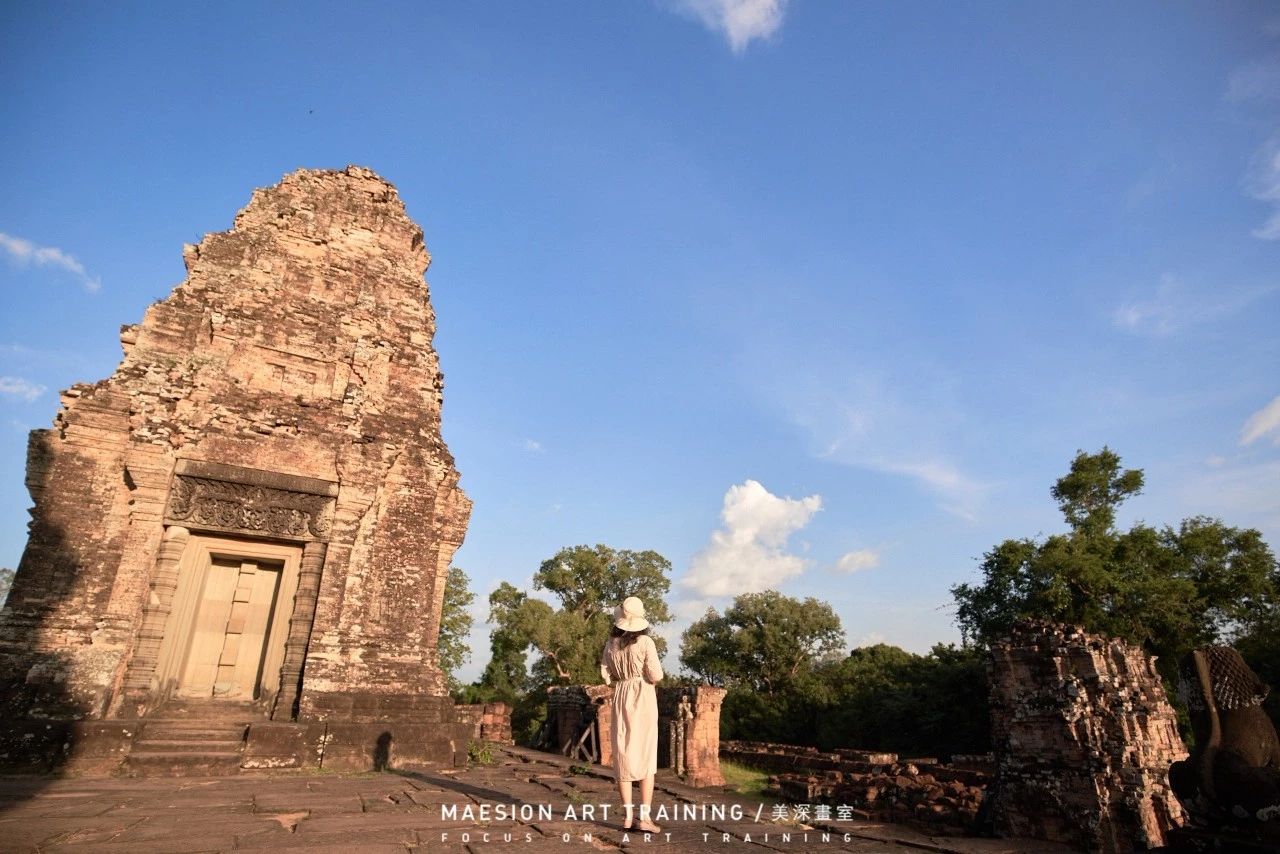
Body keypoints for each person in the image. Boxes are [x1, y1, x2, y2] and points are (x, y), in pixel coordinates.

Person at [600, 596, 664, 833]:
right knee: (646, 755)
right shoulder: (646, 642)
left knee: (624, 752)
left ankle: (627, 817)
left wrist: (619, 679)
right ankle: (644, 818)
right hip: (642, 695)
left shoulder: (611, 643)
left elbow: (605, 673)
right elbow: (656, 675)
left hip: (621, 694)